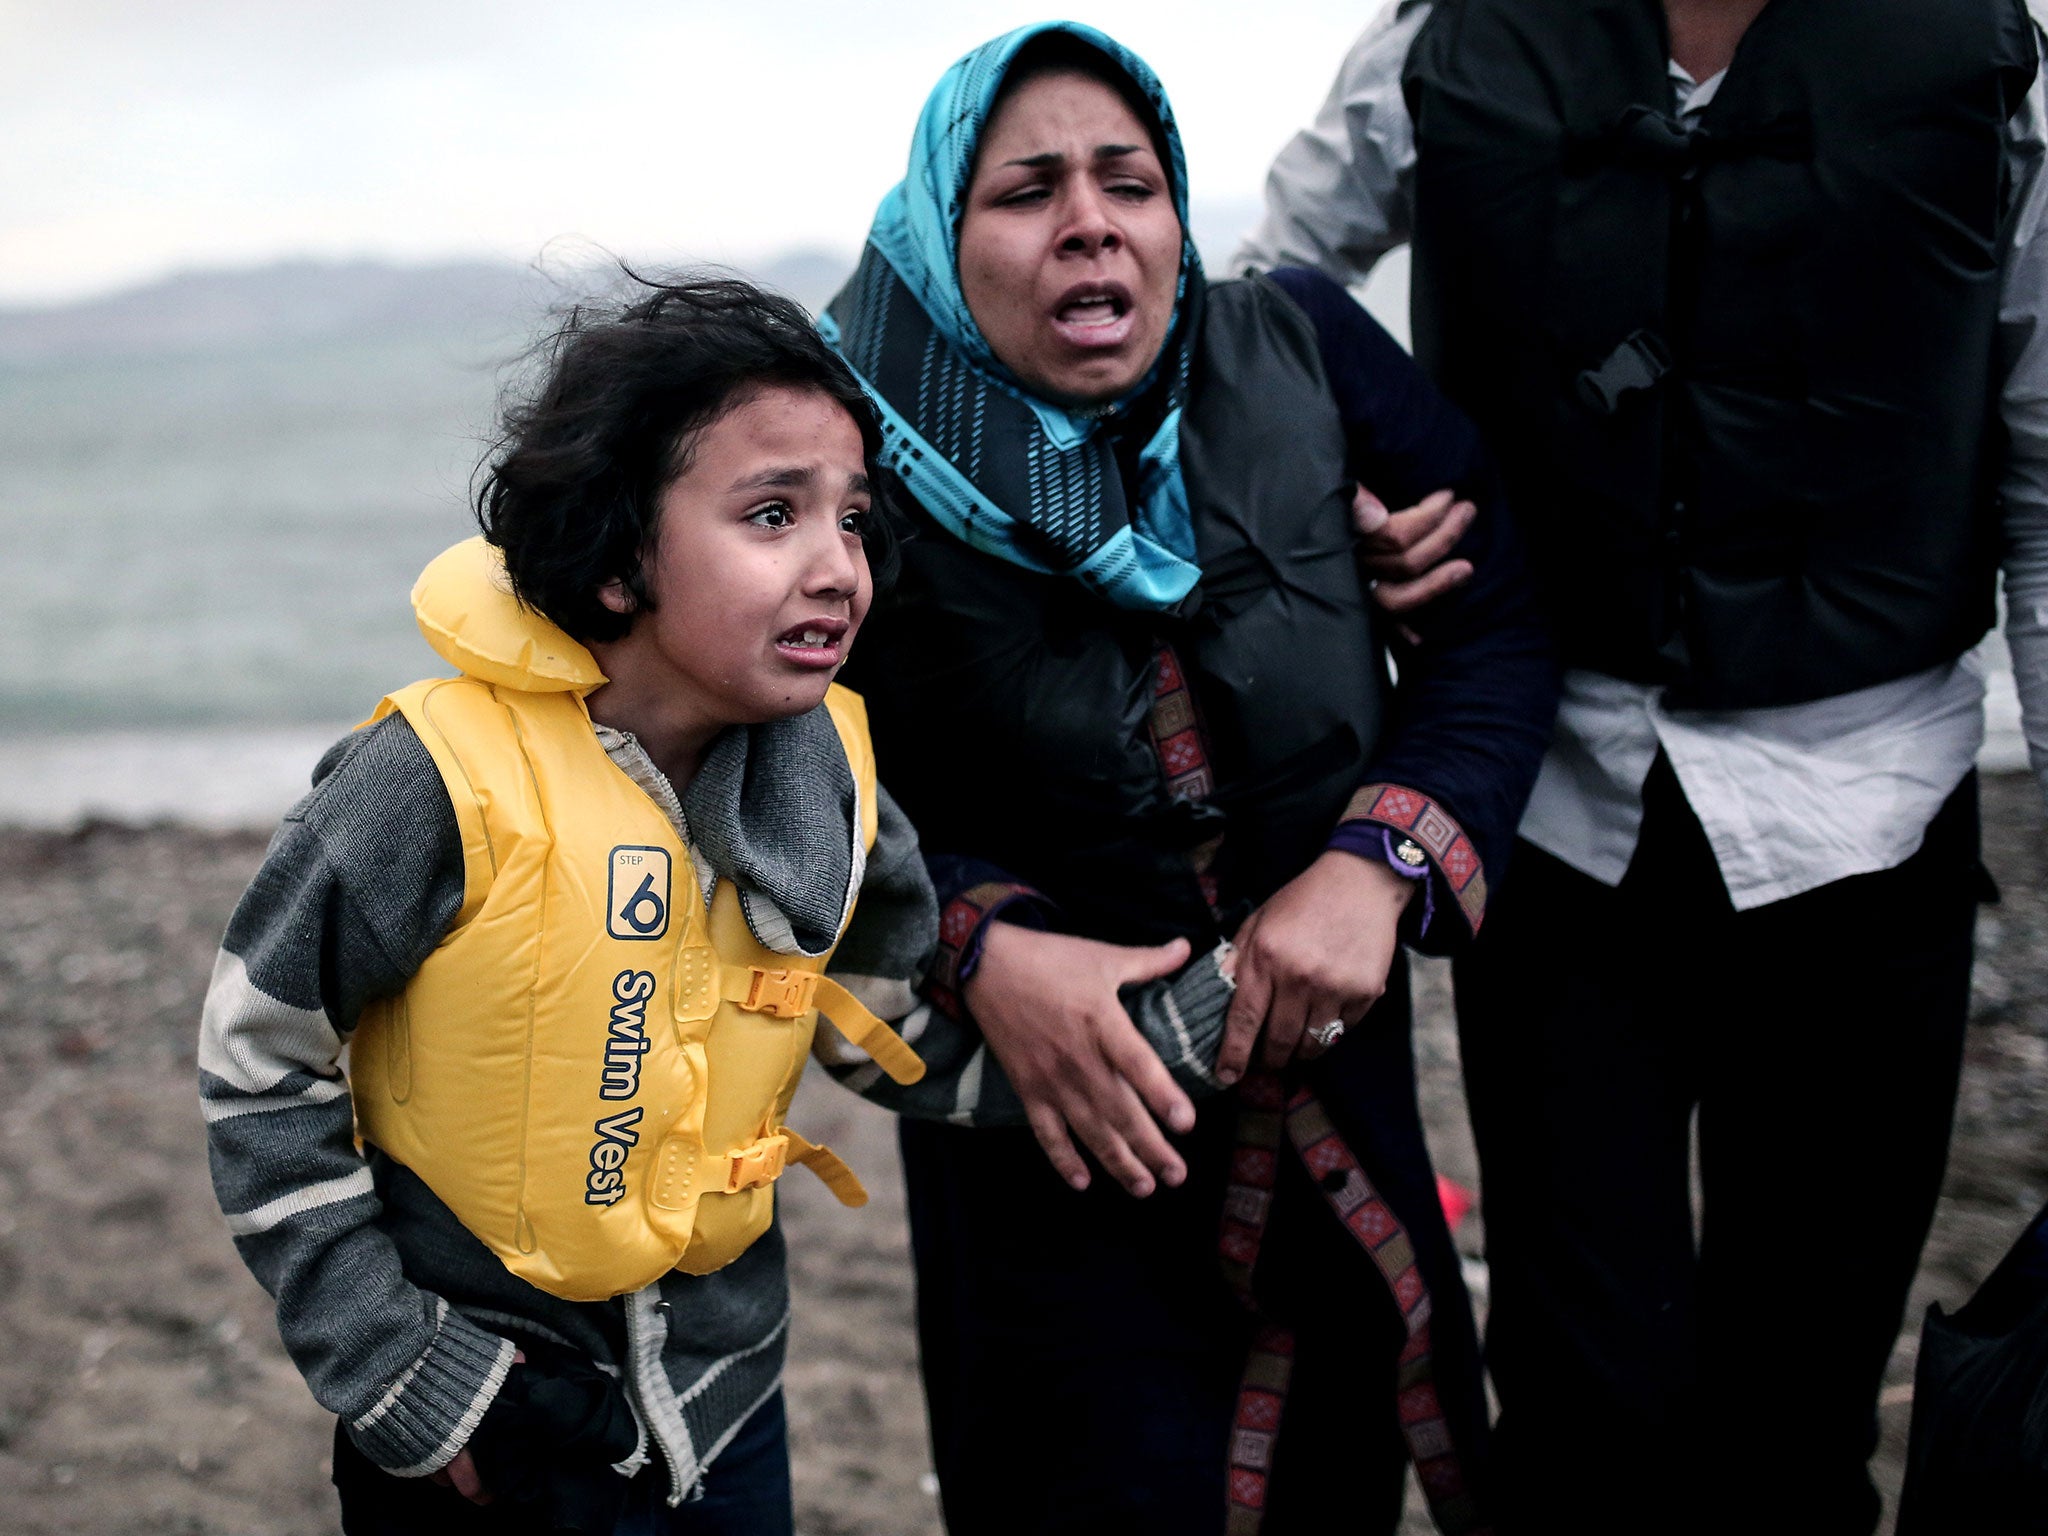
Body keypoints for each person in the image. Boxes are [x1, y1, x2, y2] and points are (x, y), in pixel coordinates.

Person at [1237, 1, 2048, 1530]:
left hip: (1870, 815)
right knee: (1576, 1408)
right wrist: (1337, 486)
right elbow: (1267, 297)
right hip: (1558, 822)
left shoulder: (1985, 52)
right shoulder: (1446, 42)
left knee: (1800, 1427)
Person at [818, 23, 1558, 1534]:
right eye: (1026, 189)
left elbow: (1498, 611)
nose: (1091, 218)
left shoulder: (1297, 348)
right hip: (1052, 1150)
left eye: (1131, 181)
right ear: (938, 234)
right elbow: (771, 786)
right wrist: (980, 945)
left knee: (1336, 1480)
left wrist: (1383, 861)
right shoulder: (844, 461)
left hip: (1331, 1094)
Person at [197, 277, 942, 1535]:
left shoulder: (834, 777)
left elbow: (895, 1009)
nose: (838, 569)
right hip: (491, 1424)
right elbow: (255, 1064)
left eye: (853, 520)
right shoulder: (430, 785)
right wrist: (395, 1371)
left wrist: (1172, 1028)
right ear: (614, 559)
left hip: (726, 1405)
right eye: (773, 514)